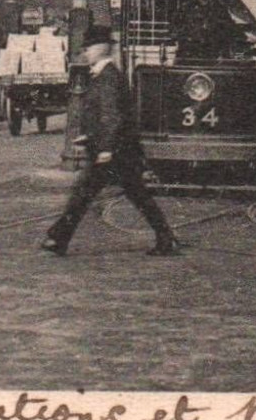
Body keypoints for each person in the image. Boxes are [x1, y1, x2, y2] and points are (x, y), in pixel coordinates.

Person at [41, 26, 177, 256]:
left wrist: (105, 148)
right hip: (116, 150)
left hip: (114, 151)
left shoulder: (108, 76)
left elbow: (111, 114)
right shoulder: (103, 74)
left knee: (86, 194)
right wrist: (89, 136)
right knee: (133, 195)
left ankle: (59, 237)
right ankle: (165, 238)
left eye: (90, 47)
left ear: (102, 48)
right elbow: (102, 114)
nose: (86, 51)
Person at [171, 0, 243, 62]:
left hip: (211, 52)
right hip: (190, 51)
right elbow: (175, 26)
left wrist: (244, 37)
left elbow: (229, 25)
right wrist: (178, 39)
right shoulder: (185, 8)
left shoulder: (218, 8)